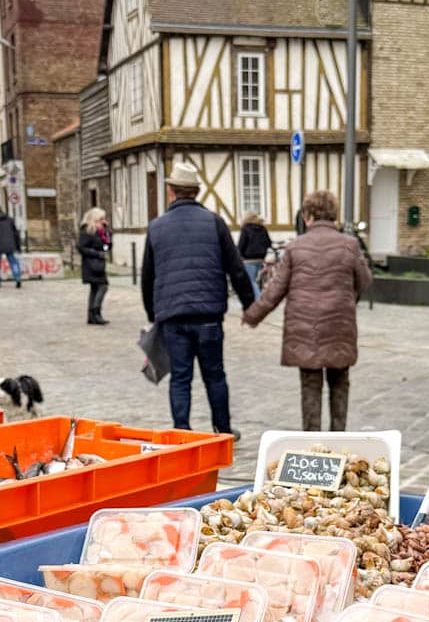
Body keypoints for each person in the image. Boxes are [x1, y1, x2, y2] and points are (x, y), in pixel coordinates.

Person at [242, 189, 371, 432]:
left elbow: (275, 290)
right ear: (333, 215)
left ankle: (313, 443)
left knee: (310, 387)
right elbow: (364, 281)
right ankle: (338, 438)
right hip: (339, 328)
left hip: (305, 331)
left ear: (308, 216)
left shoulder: (295, 247)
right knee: (340, 385)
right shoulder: (350, 245)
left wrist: (252, 315)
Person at [141, 160, 253, 440]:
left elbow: (147, 276)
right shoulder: (214, 223)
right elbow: (236, 268)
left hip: (172, 316)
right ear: (196, 191)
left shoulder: (157, 227)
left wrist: (152, 314)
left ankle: (182, 432)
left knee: (180, 377)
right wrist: (249, 304)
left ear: (171, 191)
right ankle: (222, 430)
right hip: (208, 314)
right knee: (215, 375)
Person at [77, 207, 111, 324]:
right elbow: (81, 248)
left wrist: (107, 231)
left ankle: (91, 316)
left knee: (95, 288)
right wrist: (97, 254)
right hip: (91, 264)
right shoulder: (87, 230)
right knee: (103, 286)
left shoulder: (101, 232)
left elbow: (108, 245)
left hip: (99, 264)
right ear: (94, 219)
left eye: (104, 219)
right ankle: (96, 312)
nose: (104, 221)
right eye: (101, 219)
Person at [237, 211, 273, 300]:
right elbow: (269, 243)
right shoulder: (263, 228)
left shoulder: (245, 229)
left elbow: (241, 244)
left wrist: (239, 255)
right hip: (260, 259)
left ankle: (259, 300)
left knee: (251, 281)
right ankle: (256, 298)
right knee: (256, 281)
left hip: (248, 259)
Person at [0, 206, 22, 288]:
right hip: (10, 244)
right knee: (13, 262)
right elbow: (16, 234)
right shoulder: (10, 220)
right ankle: (17, 278)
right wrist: (18, 246)